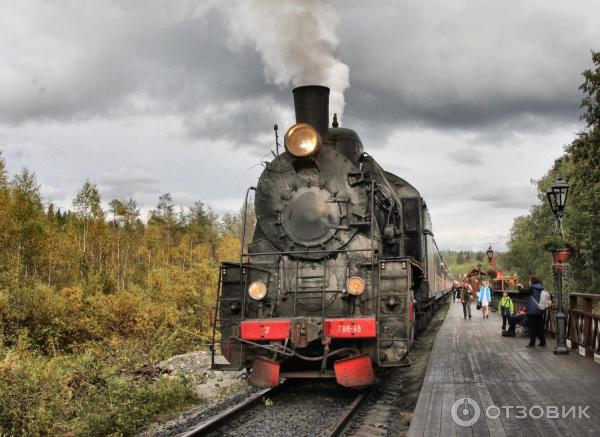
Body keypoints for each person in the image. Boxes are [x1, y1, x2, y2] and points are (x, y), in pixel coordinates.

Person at [518, 275, 546, 347]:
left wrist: (519, 286)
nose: (529, 282)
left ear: (532, 281)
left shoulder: (532, 288)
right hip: (540, 309)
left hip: (532, 310)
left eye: (529, 281)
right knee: (539, 326)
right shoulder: (541, 288)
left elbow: (522, 292)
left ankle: (532, 343)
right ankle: (543, 341)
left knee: (532, 327)